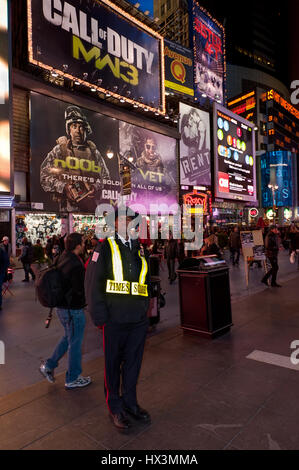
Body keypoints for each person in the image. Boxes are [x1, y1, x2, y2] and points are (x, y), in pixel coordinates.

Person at [85, 208, 151, 430]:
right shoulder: (103, 248)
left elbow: (146, 281)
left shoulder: (140, 249)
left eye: (132, 220)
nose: (129, 223)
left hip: (137, 320)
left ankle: (130, 404)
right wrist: (101, 318)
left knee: (133, 365)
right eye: (123, 219)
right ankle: (115, 407)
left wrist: (145, 309)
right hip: (113, 320)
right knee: (112, 366)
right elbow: (92, 284)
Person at [39, 233, 91, 389]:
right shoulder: (76, 264)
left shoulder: (62, 256)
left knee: (68, 338)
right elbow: (80, 289)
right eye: (82, 242)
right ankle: (72, 378)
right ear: (77, 245)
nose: (84, 245)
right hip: (72, 310)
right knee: (75, 343)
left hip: (62, 308)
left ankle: (48, 366)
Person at [40, 105, 110, 212]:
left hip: (90, 209)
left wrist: (95, 187)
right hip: (66, 210)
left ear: (86, 129)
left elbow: (106, 178)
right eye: (74, 126)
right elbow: (44, 176)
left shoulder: (94, 152)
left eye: (81, 127)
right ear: (69, 129)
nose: (78, 130)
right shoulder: (59, 150)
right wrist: (64, 187)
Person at [0, 243, 9, 311]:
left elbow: (6, 262)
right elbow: (6, 261)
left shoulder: (1, 251)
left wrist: (3, 271)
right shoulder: (2, 250)